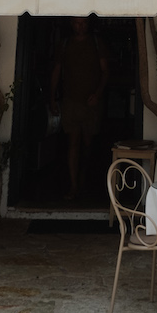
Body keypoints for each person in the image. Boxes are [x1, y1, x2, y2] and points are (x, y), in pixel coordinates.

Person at [50, 18, 109, 201]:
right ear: (71, 24)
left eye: (83, 23)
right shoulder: (64, 44)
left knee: (88, 144)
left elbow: (105, 71)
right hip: (70, 101)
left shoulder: (96, 43)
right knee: (73, 143)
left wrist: (97, 94)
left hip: (91, 103)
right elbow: (56, 71)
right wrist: (51, 98)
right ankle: (74, 185)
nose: (80, 26)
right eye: (77, 23)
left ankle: (83, 178)